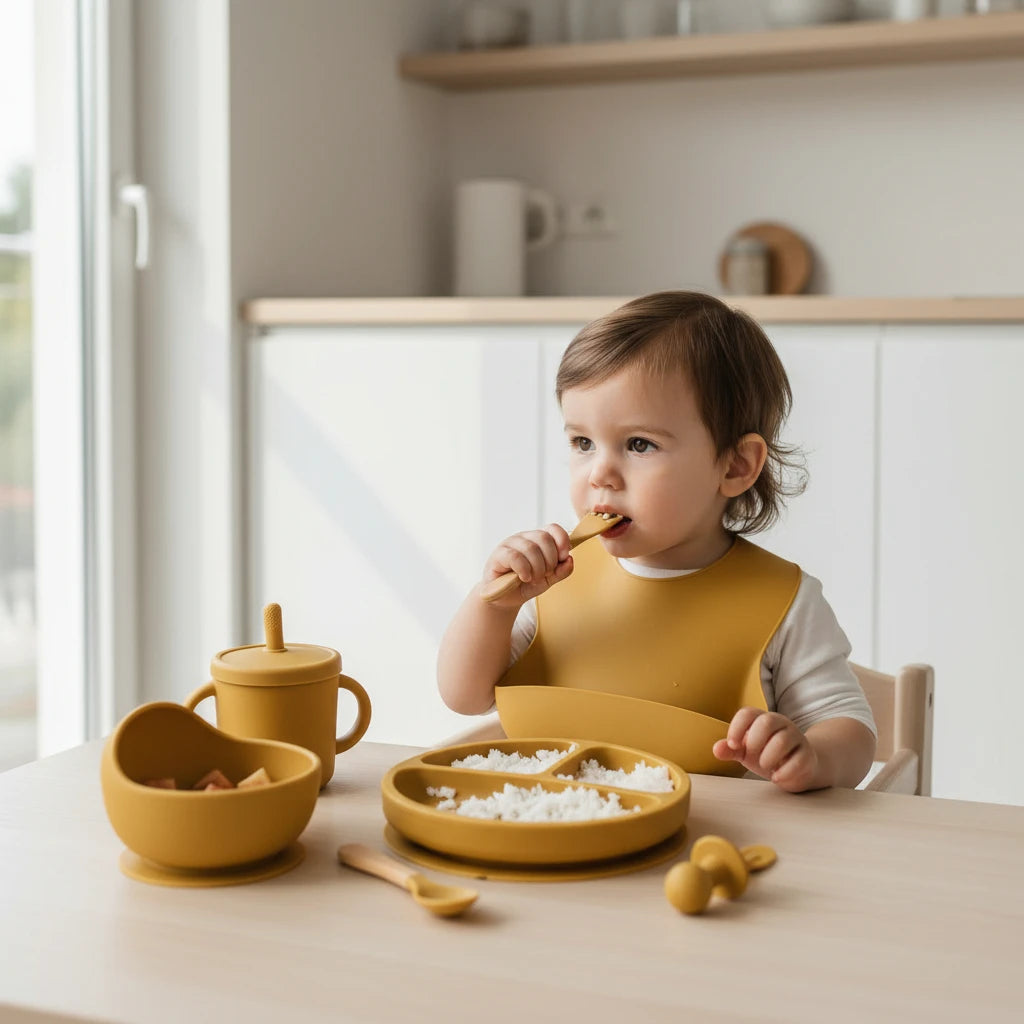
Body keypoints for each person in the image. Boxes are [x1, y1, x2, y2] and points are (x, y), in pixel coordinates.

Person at [437, 291, 876, 792]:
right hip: (550, 820)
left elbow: (851, 731)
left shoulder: (784, 601)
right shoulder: (550, 581)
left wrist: (812, 756)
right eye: (583, 443)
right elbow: (464, 697)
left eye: (639, 444)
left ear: (735, 466)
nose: (599, 473)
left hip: (710, 829)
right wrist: (493, 606)